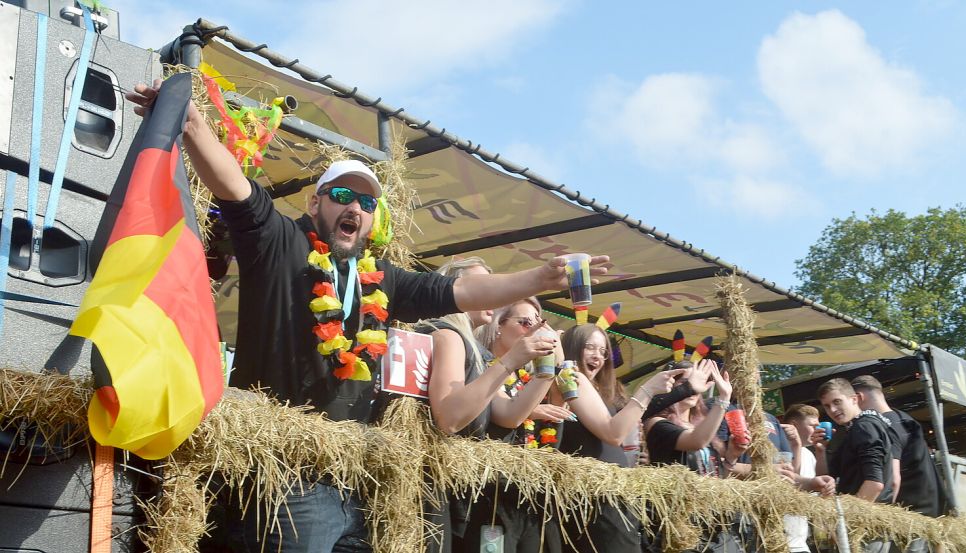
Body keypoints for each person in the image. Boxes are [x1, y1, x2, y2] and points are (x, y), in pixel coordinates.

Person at [126, 81, 609, 552]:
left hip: (354, 478)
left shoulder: (382, 279)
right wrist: (189, 122)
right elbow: (234, 188)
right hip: (285, 475)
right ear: (315, 203)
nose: (354, 206)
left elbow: (462, 290)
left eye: (367, 202)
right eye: (341, 196)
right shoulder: (278, 243)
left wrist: (539, 278)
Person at [399, 258, 564, 553]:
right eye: (484, 285)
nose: (494, 294)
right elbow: (449, 418)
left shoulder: (476, 351)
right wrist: (512, 359)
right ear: (454, 290)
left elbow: (510, 415)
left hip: (453, 486)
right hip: (428, 484)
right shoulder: (448, 334)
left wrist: (546, 368)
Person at [554, 324, 686, 553]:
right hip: (594, 499)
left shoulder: (598, 388)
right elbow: (612, 433)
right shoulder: (570, 376)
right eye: (590, 348)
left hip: (611, 496)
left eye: (603, 351)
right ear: (573, 349)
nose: (598, 356)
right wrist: (647, 390)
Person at [642, 360, 747, 553]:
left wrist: (731, 456)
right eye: (685, 383)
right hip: (682, 526)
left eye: (699, 381)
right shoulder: (656, 423)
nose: (695, 387)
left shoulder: (705, 427)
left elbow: (713, 476)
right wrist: (723, 399)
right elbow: (696, 441)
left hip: (714, 525)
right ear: (671, 387)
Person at [851, 375, 943, 553]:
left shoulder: (885, 425)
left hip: (910, 520)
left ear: (858, 398)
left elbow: (893, 480)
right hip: (928, 512)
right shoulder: (904, 418)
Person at [816, 378, 894, 553]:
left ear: (854, 399)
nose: (833, 410)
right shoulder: (857, 429)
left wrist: (848, 522)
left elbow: (874, 483)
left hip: (864, 528)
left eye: (837, 402)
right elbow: (825, 480)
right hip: (871, 524)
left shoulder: (864, 427)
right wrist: (820, 451)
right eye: (827, 406)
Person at [781, 404, 837, 553]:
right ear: (794, 425)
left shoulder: (808, 453)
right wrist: (796, 445)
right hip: (781, 539)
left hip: (801, 538)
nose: (818, 430)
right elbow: (792, 482)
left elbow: (818, 482)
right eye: (813, 426)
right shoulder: (779, 448)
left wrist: (820, 451)